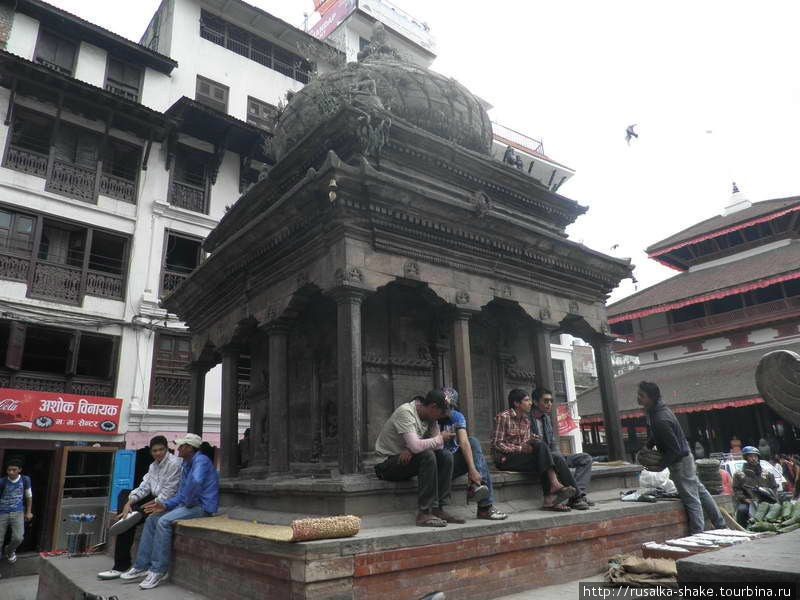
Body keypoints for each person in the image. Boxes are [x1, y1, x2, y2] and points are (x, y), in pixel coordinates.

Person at [120, 433, 219, 590]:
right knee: (152, 519)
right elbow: (182, 492)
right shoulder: (187, 464)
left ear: (189, 448)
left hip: (202, 507)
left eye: (181, 446)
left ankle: (159, 570)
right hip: (187, 504)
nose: (178, 449)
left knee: (163, 521)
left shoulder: (201, 461)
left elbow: (195, 484)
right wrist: (167, 505)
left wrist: (169, 504)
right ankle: (141, 565)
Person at [637, 381, 726, 534]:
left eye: (641, 396)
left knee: (691, 499)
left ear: (651, 398)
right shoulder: (656, 411)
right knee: (700, 491)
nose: (638, 398)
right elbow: (657, 434)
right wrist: (649, 445)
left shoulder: (660, 418)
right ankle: (720, 523)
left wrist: (660, 466)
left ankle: (697, 533)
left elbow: (675, 450)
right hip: (684, 458)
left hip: (680, 461)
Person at [98, 435, 182, 580]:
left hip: (167, 502)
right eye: (155, 451)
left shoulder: (175, 463)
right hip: (153, 498)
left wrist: (154, 503)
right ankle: (127, 515)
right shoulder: (153, 466)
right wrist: (129, 503)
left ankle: (121, 565)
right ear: (151, 452)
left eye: (161, 450)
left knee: (129, 521)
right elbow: (144, 487)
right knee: (125, 495)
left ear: (167, 449)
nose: (158, 453)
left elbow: (170, 491)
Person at [374, 390, 461, 528]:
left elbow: (439, 447)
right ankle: (424, 513)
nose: (440, 418)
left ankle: (438, 509)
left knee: (446, 456)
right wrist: (421, 445)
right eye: (440, 413)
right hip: (386, 464)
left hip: (408, 459)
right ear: (433, 407)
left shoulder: (431, 418)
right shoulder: (406, 412)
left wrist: (412, 449)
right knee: (427, 455)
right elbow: (423, 445)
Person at [492, 389, 577, 512]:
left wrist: (530, 442)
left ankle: (552, 498)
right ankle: (553, 490)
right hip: (505, 459)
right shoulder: (504, 417)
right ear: (516, 403)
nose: (530, 403)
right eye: (527, 400)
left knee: (542, 451)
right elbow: (497, 444)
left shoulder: (526, 420)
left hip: (521, 458)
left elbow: (525, 444)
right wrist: (521, 448)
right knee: (542, 453)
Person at [438, 388, 507, 520]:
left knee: (473, 442)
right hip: (439, 464)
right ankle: (485, 507)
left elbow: (464, 442)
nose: (447, 410)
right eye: (444, 407)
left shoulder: (457, 416)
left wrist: (473, 470)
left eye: (450, 407)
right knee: (467, 457)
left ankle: (478, 488)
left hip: (454, 462)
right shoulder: (431, 416)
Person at [530, 388, 593, 510]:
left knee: (585, 458)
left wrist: (561, 457)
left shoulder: (546, 419)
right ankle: (577, 497)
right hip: (540, 458)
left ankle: (576, 492)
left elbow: (553, 443)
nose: (549, 404)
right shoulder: (527, 419)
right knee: (557, 457)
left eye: (551, 401)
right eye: (546, 401)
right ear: (536, 402)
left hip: (554, 455)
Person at [732, 446, 779, 527]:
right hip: (749, 500)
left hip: (767, 500)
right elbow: (736, 489)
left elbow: (774, 487)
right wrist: (744, 499)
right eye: (750, 456)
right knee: (742, 510)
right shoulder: (739, 474)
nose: (753, 458)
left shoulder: (767, 473)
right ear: (746, 458)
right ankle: (742, 529)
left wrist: (773, 497)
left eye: (755, 456)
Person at [0, 458, 33, 564]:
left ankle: (9, 551)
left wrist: (28, 511)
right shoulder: (2, 482)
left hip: (18, 512)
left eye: (14, 470)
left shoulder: (25, 480)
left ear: (20, 470)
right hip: (2, 512)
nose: (11, 472)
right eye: (9, 470)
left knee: (18, 538)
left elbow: (28, 496)